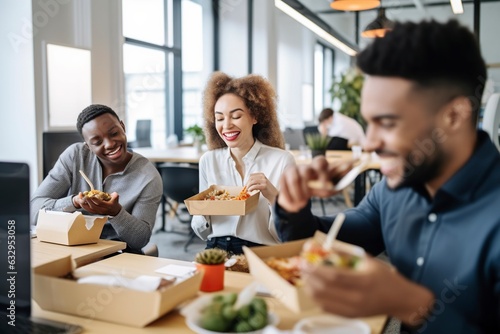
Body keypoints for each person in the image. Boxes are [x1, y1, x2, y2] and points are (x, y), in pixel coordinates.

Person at [274, 20, 500, 333]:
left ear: (454, 116)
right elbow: (330, 243)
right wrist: (294, 207)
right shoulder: (393, 190)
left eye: (387, 123)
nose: (369, 143)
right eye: (369, 123)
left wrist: (411, 304)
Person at [31, 104, 163, 254]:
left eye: (114, 133)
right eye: (97, 142)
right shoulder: (75, 156)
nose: (110, 144)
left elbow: (140, 239)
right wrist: (74, 201)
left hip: (117, 253)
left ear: (122, 127)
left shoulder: (148, 176)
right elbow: (33, 210)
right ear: (88, 145)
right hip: (68, 245)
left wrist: (116, 213)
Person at [191, 71, 296, 255]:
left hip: (260, 251)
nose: (227, 125)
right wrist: (202, 211)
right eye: (220, 118)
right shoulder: (209, 161)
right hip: (216, 248)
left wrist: (273, 197)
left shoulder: (281, 161)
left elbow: (289, 236)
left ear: (255, 116)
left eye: (236, 116)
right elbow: (203, 232)